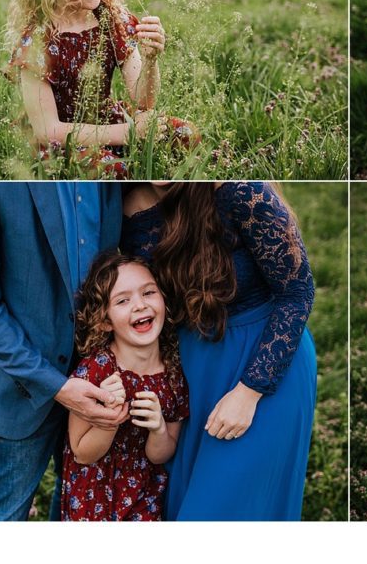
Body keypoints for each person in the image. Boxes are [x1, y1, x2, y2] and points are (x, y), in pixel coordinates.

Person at [121, 181, 317, 520]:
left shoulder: (239, 191)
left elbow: (297, 293)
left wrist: (250, 391)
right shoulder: (121, 202)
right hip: (193, 372)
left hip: (265, 360)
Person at [0, 182, 125, 520]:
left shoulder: (106, 161)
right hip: (17, 382)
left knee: (76, 508)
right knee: (6, 515)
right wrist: (55, 386)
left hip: (98, 378)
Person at [4, 0, 198, 178]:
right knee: (113, 171)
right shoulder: (37, 42)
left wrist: (151, 60)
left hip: (108, 118)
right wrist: (128, 134)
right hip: (64, 139)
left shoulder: (113, 20)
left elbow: (143, 99)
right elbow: (47, 130)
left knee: (187, 135)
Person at [61, 253, 189, 521]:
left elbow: (159, 456)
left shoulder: (174, 376)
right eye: (123, 300)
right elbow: (82, 453)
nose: (140, 305)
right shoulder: (96, 370)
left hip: (146, 498)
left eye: (148, 292)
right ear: (105, 320)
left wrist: (158, 429)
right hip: (92, 498)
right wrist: (109, 420)